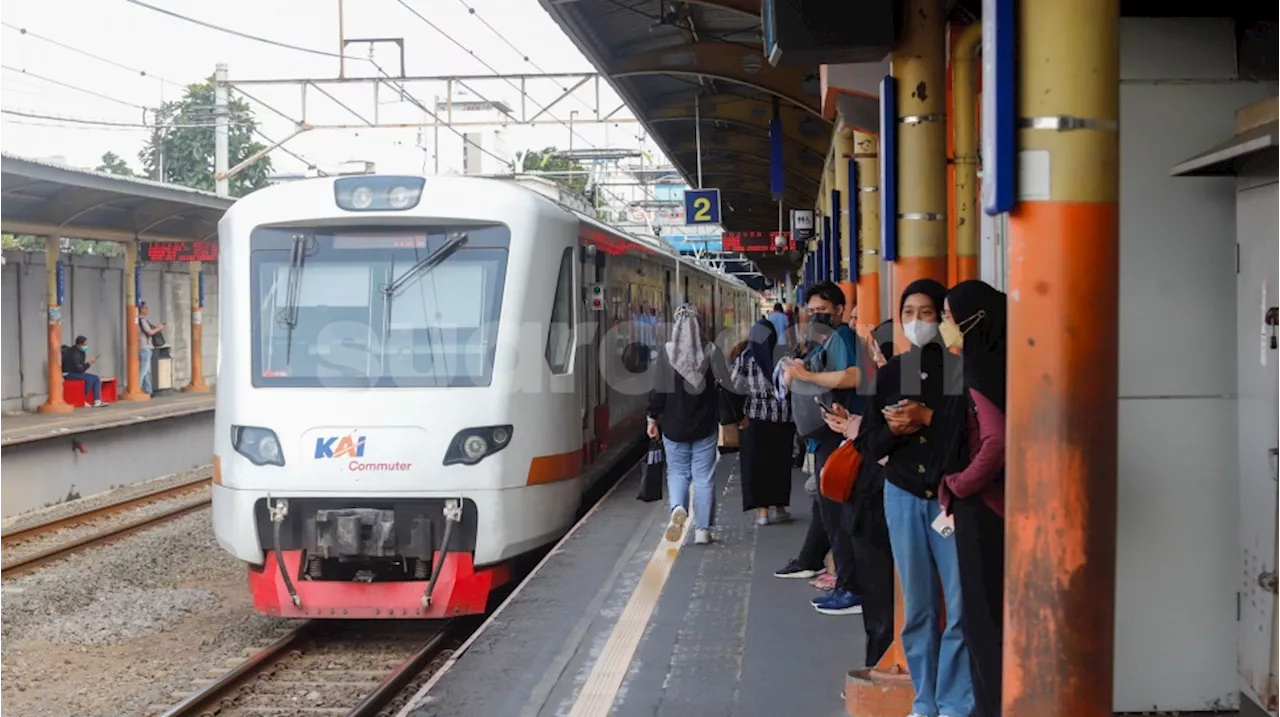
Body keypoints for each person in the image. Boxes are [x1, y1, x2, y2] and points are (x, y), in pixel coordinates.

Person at [855, 278, 973, 717]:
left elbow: (971, 440)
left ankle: (956, 702)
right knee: (919, 606)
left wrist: (928, 418)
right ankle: (925, 701)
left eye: (927, 312)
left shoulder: (963, 372)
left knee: (960, 604)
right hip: (902, 496)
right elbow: (868, 445)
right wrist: (894, 431)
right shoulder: (888, 374)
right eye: (909, 313)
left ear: (943, 318)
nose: (917, 321)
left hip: (951, 500)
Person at [938, 280, 1008, 717]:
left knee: (984, 625)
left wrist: (961, 484)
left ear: (972, 320)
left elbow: (996, 440)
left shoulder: (978, 372)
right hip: (1004, 507)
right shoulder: (1005, 361)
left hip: (983, 509)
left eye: (946, 317)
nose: (945, 327)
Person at [778, 281, 865, 616]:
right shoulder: (821, 341)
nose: (816, 317)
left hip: (836, 435)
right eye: (811, 311)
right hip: (823, 434)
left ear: (841, 311)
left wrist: (807, 377)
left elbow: (854, 376)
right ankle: (835, 574)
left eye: (823, 312)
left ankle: (850, 586)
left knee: (838, 515)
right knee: (829, 512)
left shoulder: (841, 337)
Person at [647, 304, 722, 546]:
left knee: (677, 472)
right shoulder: (711, 351)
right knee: (704, 478)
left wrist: (652, 417)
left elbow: (658, 390)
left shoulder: (667, 353)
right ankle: (703, 530)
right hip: (705, 425)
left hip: (673, 426)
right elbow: (725, 387)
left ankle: (677, 508)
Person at [730, 319, 795, 526]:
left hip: (755, 418)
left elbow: (734, 387)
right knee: (780, 464)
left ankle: (762, 513)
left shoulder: (745, 358)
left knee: (756, 465)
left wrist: (739, 415)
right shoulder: (784, 359)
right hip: (782, 418)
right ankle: (780, 507)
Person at [61, 335, 105, 407]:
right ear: (79, 345)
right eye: (84, 344)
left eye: (86, 344)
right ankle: (81, 399)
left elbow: (80, 369)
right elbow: (80, 369)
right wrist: (88, 363)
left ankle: (97, 400)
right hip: (69, 374)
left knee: (96, 378)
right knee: (89, 379)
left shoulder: (80, 352)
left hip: (75, 372)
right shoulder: (74, 354)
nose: (86, 346)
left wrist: (87, 364)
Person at [137, 302, 165, 396]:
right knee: (144, 370)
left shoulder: (141, 320)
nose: (147, 309)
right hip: (145, 347)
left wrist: (156, 327)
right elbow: (150, 332)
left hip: (145, 347)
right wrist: (159, 328)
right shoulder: (142, 320)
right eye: (145, 307)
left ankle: (149, 391)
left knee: (146, 371)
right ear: (140, 309)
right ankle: (137, 388)